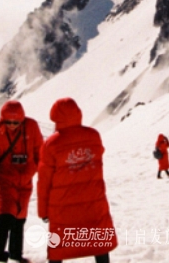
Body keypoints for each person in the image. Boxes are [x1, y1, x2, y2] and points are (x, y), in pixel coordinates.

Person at [37, 98, 117, 263]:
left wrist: (43, 211)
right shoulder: (93, 136)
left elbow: (44, 182)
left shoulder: (51, 145)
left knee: (59, 248)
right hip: (94, 203)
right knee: (98, 242)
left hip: (62, 208)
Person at [0, 100, 44, 263]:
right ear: (2, 120)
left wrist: (34, 170)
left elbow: (41, 152)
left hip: (25, 180)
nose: (12, 125)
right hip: (4, 179)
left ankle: (15, 254)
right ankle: (0, 255)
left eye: (16, 122)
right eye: (8, 122)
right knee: (6, 214)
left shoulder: (31, 127)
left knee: (20, 217)